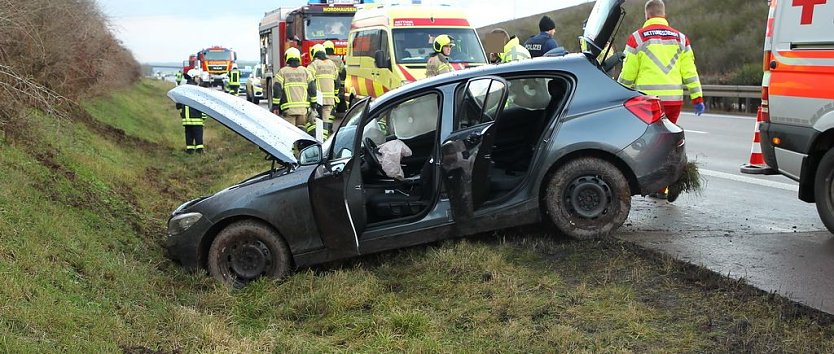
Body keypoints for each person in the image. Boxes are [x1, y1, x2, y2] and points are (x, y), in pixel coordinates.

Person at [617, 0, 705, 199]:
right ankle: (672, 180)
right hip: (673, 100)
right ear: (664, 15)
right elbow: (690, 72)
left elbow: (628, 74)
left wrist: (618, 92)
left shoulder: (637, 38)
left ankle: (655, 185)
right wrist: (697, 97)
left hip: (647, 102)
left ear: (647, 16)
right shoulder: (681, 39)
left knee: (648, 144)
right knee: (669, 142)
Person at [273, 47, 316, 131]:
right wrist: (314, 104)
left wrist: (275, 106)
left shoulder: (282, 72)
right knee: (301, 132)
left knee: (290, 133)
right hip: (303, 110)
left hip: (288, 110)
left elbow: (277, 89)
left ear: (287, 58)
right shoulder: (305, 71)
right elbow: (312, 88)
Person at [306, 43, 341, 138]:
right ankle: (324, 141)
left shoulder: (314, 64)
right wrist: (335, 94)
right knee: (325, 121)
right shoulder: (332, 64)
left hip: (318, 98)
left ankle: (316, 139)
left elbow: (309, 82)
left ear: (313, 53)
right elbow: (337, 82)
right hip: (330, 99)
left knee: (315, 120)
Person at [176, 81, 207, 154]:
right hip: (197, 120)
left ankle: (190, 150)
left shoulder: (182, 96)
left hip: (187, 121)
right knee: (198, 135)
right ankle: (199, 150)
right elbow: (202, 107)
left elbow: (178, 106)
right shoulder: (197, 96)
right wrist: (204, 117)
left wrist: (182, 114)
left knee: (189, 136)